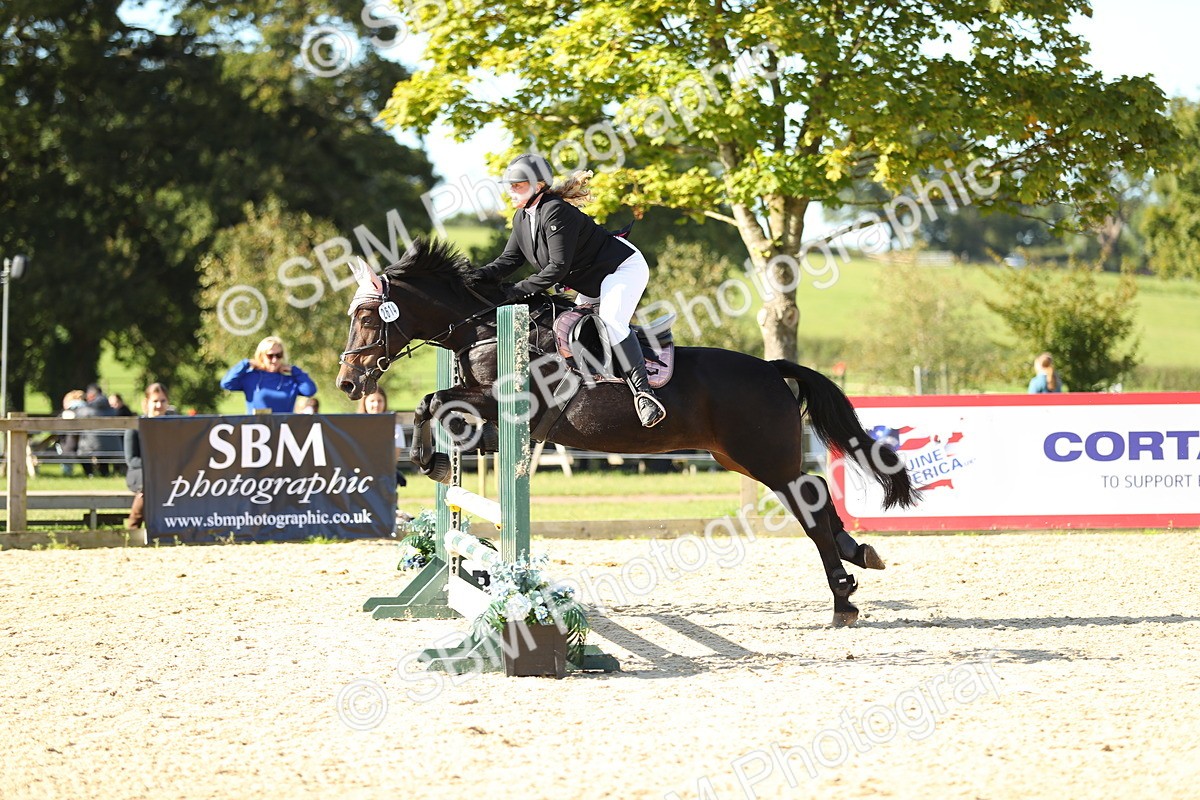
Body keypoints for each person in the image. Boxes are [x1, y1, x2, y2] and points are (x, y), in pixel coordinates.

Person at [474, 154, 666, 428]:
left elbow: (557, 269)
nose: (510, 190)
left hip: (621, 269)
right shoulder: (522, 217)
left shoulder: (556, 211)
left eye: (517, 185)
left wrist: (516, 291)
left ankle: (645, 395)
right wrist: (472, 277)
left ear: (538, 185)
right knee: (568, 329)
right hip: (591, 281)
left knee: (611, 321)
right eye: (509, 185)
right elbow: (508, 261)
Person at [220, 336, 317, 413]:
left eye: (278, 355)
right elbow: (227, 383)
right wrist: (245, 364)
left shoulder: (290, 381)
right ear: (261, 356)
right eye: (270, 356)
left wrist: (295, 371)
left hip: (283, 431)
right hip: (257, 431)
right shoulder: (251, 377)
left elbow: (310, 390)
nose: (274, 360)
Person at [124, 383, 171, 530]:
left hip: (167, 473)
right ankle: (133, 526)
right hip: (140, 473)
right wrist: (155, 465)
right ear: (146, 403)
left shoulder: (174, 426)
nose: (159, 405)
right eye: (155, 401)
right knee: (149, 483)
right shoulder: (135, 427)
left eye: (163, 401)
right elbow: (131, 460)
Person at [357, 388, 408, 487]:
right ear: (364, 403)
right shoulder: (355, 426)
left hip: (383, 478)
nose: (376, 405)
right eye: (372, 401)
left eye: (379, 401)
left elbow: (393, 459)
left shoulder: (395, 427)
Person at [75, 383, 119, 477]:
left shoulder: (86, 409)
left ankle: (89, 474)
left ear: (91, 395)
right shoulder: (111, 409)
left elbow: (77, 415)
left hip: (91, 446)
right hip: (112, 445)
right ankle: (104, 473)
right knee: (102, 451)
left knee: (82, 451)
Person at [58, 390, 86, 477]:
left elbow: (58, 431)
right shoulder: (89, 410)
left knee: (61, 445)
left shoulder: (67, 413)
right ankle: (89, 473)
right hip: (87, 445)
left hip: (70, 446)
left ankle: (67, 472)